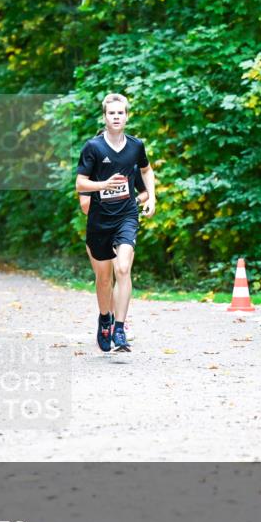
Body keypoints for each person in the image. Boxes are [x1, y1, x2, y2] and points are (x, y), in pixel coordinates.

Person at [75, 93, 157, 352]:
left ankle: (119, 329)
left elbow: (146, 170)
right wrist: (103, 186)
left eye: (121, 112)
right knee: (103, 279)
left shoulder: (136, 145)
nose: (116, 116)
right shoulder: (93, 147)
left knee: (122, 269)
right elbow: (80, 184)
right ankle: (104, 319)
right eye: (112, 113)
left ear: (127, 116)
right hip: (99, 220)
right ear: (105, 117)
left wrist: (151, 197)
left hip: (127, 217)